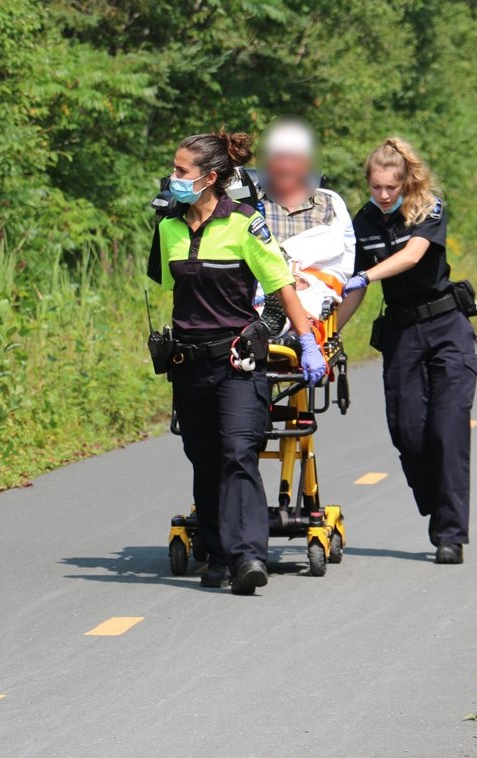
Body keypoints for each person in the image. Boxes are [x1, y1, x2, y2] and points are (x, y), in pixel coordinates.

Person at [148, 129, 327, 595]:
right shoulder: (167, 227)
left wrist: (303, 341)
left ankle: (249, 556)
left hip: (238, 361)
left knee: (238, 454)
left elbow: (279, 287)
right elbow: (170, 287)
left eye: (181, 171)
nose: (172, 178)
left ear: (209, 178)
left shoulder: (246, 224)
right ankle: (218, 550)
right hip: (190, 364)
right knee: (204, 460)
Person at [337, 137, 477, 565]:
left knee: (447, 431)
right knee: (409, 434)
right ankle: (440, 507)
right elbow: (353, 290)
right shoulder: (363, 221)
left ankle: (449, 533)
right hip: (402, 334)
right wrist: (328, 336)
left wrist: (366, 275)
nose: (382, 195)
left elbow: (413, 256)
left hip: (446, 328)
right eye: (376, 187)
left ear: (406, 183)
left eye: (390, 188)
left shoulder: (428, 208)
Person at [258, 117, 355, 325]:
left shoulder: (330, 204)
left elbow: (342, 266)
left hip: (314, 297)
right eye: (279, 157)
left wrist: (308, 280)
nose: (285, 165)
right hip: (260, 294)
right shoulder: (248, 204)